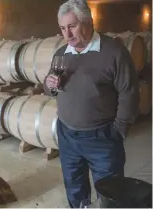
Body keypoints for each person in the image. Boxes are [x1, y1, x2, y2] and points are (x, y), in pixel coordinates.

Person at [43, 0, 139, 208]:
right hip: (67, 134)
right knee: (74, 187)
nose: (66, 35)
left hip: (102, 136)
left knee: (109, 191)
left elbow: (128, 91)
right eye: (62, 28)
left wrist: (119, 130)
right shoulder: (61, 54)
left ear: (88, 21)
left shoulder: (114, 52)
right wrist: (50, 85)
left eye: (72, 26)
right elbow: (50, 90)